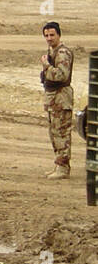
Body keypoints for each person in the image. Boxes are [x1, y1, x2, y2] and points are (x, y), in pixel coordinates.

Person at [40, 21, 74, 179]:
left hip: (61, 97)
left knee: (61, 133)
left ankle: (63, 167)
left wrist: (46, 67)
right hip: (53, 98)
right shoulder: (52, 51)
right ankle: (59, 164)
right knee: (54, 132)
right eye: (46, 35)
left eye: (52, 35)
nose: (49, 38)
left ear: (59, 35)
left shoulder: (62, 53)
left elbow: (61, 75)